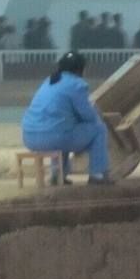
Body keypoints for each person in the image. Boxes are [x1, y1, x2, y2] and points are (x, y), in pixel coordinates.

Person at [21, 51, 112, 185]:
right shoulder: (77, 84)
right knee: (99, 128)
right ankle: (98, 174)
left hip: (29, 137)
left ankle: (57, 175)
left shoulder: (49, 80)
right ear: (81, 69)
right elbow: (89, 116)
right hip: (54, 138)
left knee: (61, 127)